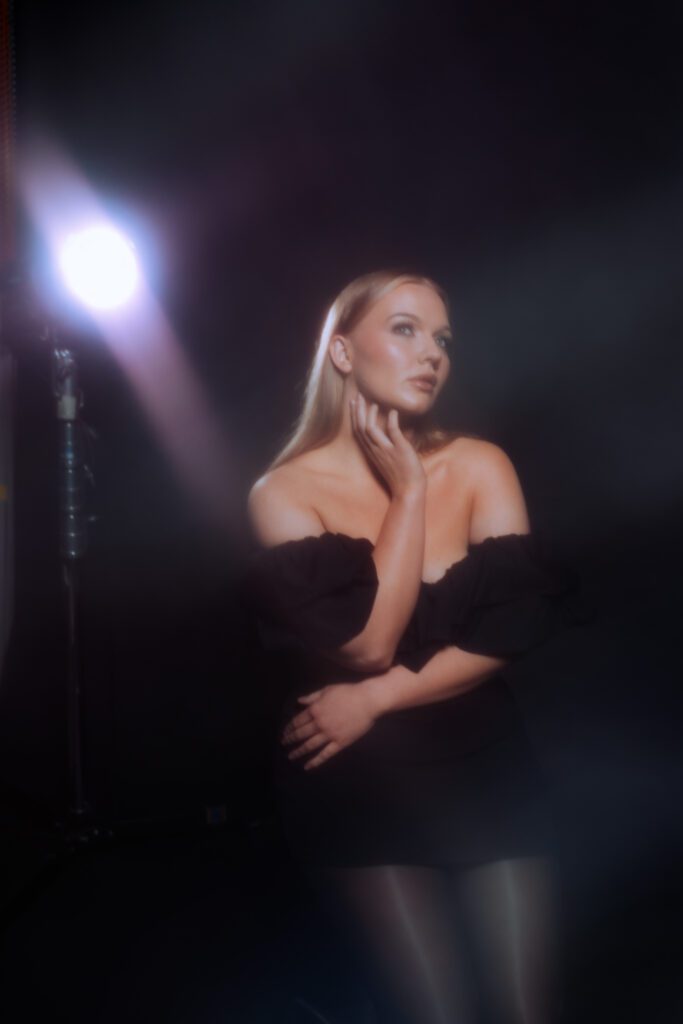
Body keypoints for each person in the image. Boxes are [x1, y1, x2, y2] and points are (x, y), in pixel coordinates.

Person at [245, 270, 588, 1024]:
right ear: (341, 351)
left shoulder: (478, 463)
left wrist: (375, 698)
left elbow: (510, 630)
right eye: (404, 329)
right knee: (433, 1015)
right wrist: (407, 495)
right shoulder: (282, 493)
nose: (430, 353)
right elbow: (365, 645)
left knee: (526, 1013)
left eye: (441, 339)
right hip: (357, 779)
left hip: (484, 760)